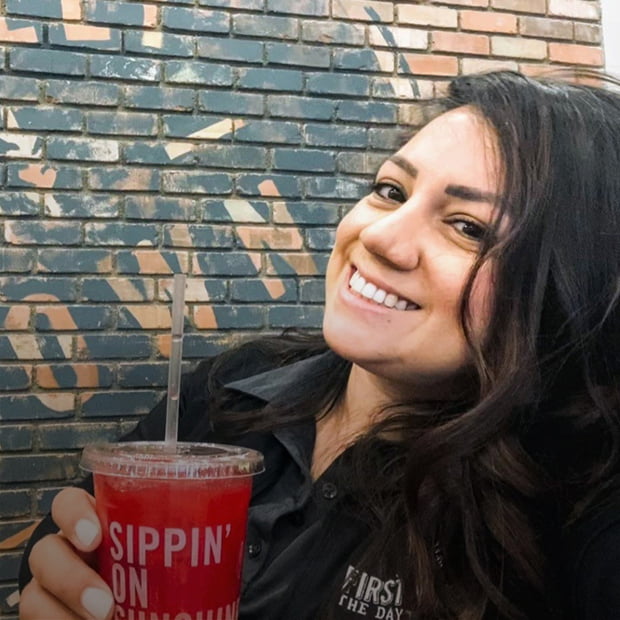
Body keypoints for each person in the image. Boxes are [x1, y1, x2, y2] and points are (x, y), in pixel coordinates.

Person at [17, 70, 620, 620]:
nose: (381, 237)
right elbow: (60, 557)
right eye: (390, 191)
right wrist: (64, 579)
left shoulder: (570, 507)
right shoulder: (232, 389)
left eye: (468, 227)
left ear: (566, 288)